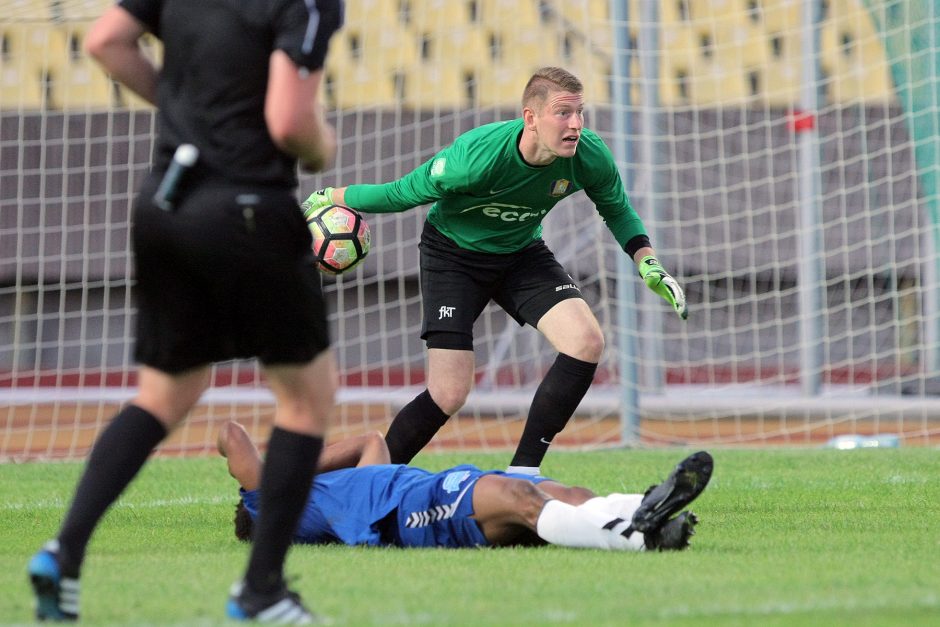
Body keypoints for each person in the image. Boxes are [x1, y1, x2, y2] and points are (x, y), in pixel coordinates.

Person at [27, 0, 343, 623]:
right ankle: (262, 590)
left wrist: (184, 109)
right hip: (249, 205)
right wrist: (322, 146)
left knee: (166, 393)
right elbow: (287, 121)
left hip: (165, 203)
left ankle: (64, 554)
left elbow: (105, 42)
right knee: (306, 399)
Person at [302, 66, 688, 476]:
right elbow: (399, 193)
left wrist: (647, 262)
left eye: (580, 113)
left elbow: (617, 209)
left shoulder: (589, 156)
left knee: (586, 341)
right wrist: (330, 195)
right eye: (563, 113)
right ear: (531, 118)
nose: (575, 124)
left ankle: (523, 473)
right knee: (449, 394)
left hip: (521, 254)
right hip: (453, 256)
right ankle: (370, 481)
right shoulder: (474, 159)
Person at [218, 421, 712, 553]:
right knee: (519, 500)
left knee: (566, 493)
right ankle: (636, 536)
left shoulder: (346, 483)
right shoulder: (268, 507)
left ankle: (642, 511)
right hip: (410, 516)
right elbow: (231, 436)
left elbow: (369, 441)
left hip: (436, 485)